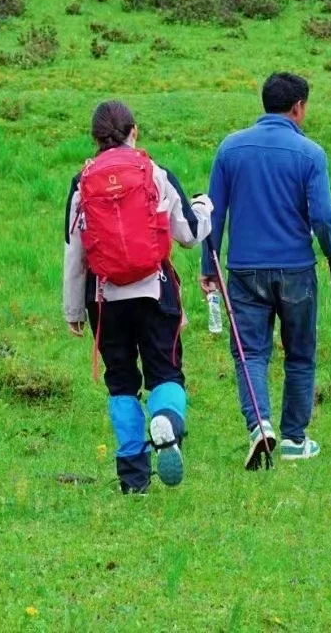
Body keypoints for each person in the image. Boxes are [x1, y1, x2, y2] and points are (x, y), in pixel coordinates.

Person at [63, 101, 213, 494]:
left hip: (103, 296)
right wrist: (203, 206)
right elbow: (189, 234)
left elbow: (74, 250)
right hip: (154, 288)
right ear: (135, 131)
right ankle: (165, 423)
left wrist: (72, 309)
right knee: (165, 371)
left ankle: (133, 478)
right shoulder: (155, 173)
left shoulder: (82, 183)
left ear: (95, 139)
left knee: (121, 382)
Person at [202, 72, 331, 469]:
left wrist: (208, 267)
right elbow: (323, 215)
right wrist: (329, 247)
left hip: (244, 270)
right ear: (298, 107)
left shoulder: (229, 149)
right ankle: (295, 439)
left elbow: (212, 214)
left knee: (250, 353)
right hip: (297, 268)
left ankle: (259, 424)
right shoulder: (311, 153)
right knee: (300, 353)